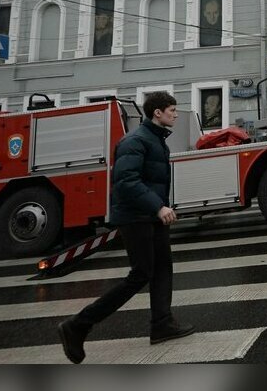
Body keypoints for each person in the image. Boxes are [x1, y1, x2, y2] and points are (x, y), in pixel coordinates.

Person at [57, 91, 195, 363]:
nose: (176, 114)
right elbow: (127, 182)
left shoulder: (154, 138)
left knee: (162, 267)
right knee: (141, 274)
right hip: (137, 217)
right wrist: (158, 206)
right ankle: (78, 324)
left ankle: (162, 323)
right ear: (157, 112)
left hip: (150, 217)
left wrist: (159, 208)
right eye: (172, 110)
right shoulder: (135, 141)